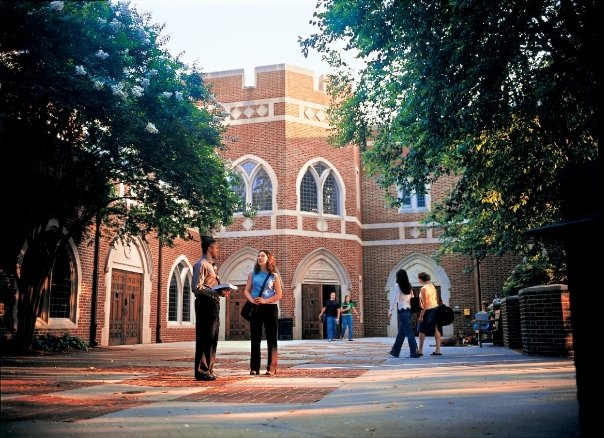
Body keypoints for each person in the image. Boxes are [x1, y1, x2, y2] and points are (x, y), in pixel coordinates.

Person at [192, 236, 230, 381]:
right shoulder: (201, 264)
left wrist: (221, 291)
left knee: (212, 337)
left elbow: (209, 286)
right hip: (205, 303)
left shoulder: (211, 265)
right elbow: (196, 287)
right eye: (216, 248)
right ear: (209, 249)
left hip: (213, 303)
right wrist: (215, 291)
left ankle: (208, 369)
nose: (218, 250)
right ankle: (201, 371)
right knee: (205, 337)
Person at [243, 249, 283, 376]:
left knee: (272, 338)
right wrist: (252, 300)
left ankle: (272, 367)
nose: (259, 257)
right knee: (255, 338)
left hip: (270, 308)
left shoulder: (274, 275)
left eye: (262, 256)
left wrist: (266, 301)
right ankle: (254, 367)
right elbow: (246, 290)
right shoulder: (252, 274)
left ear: (268, 259)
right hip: (256, 308)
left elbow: (279, 294)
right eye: (258, 256)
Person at [387, 269, 421, 358]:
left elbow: (395, 299)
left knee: (409, 332)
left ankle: (414, 352)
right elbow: (412, 297)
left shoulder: (398, 285)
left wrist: (390, 311)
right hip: (409, 310)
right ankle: (395, 351)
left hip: (402, 311)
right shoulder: (409, 286)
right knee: (401, 333)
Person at [417, 271, 442, 356]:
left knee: (421, 330)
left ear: (421, 279)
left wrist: (421, 316)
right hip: (435, 308)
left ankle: (420, 351)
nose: (418, 280)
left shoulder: (423, 289)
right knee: (436, 329)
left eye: (418, 279)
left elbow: (425, 304)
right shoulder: (432, 286)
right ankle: (438, 350)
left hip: (427, 310)